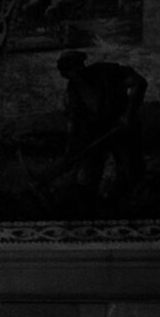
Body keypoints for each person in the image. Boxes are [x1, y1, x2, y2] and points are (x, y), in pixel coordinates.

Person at [56, 50, 147, 216]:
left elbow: (139, 83)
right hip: (97, 133)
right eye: (68, 73)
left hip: (123, 129)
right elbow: (75, 122)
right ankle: (94, 210)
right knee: (89, 174)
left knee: (131, 169)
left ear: (81, 65)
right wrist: (71, 151)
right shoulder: (73, 89)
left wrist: (128, 114)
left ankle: (139, 208)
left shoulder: (107, 72)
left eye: (74, 69)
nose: (73, 75)